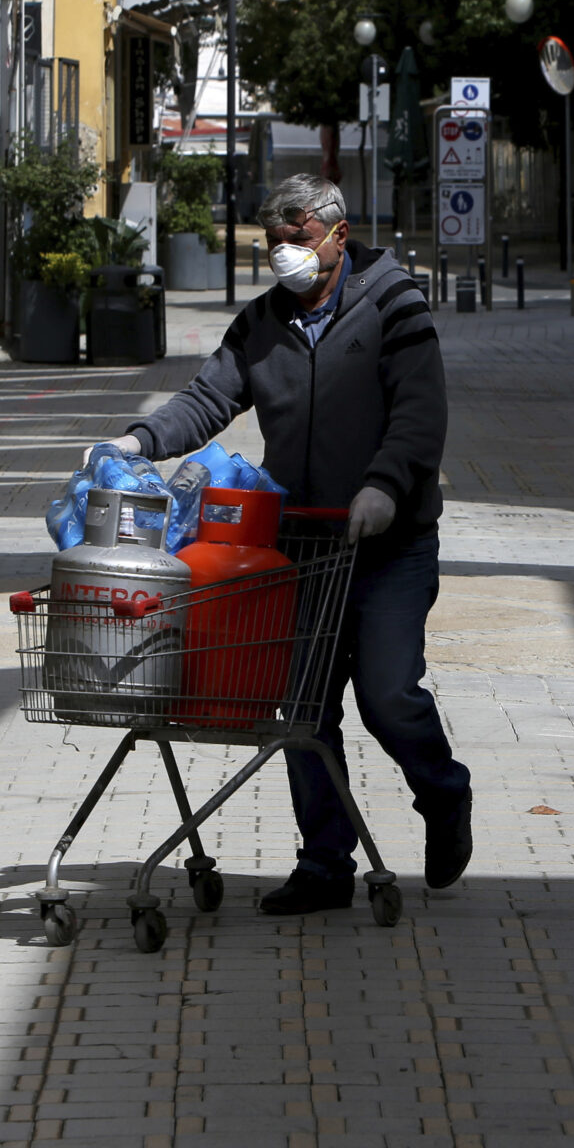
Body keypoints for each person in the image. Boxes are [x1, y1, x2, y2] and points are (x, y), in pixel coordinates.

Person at [84, 174, 472, 913]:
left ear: (338, 234)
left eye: (298, 239)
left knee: (388, 696)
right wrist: (138, 439)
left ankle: (445, 793)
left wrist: (385, 487)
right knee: (301, 708)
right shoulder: (263, 322)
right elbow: (208, 397)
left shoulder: (396, 306)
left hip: (389, 542)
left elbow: (421, 412)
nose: (285, 254)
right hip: (302, 544)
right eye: (274, 243)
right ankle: (325, 863)